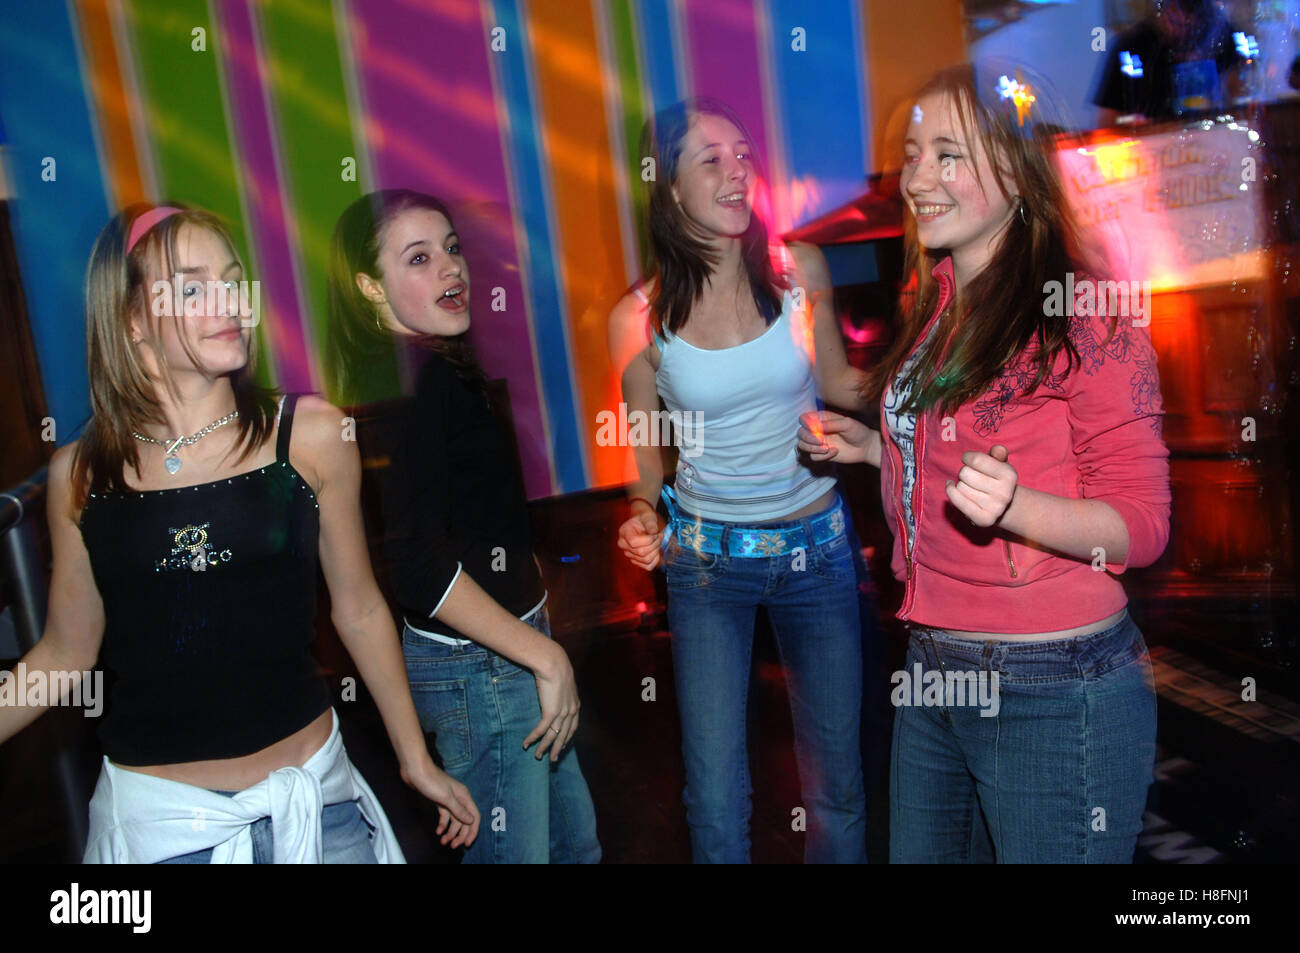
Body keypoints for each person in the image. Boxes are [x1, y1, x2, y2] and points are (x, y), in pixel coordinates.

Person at [0, 203, 480, 863]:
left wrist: (414, 758)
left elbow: (361, 609)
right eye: (191, 288)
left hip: (317, 812)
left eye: (231, 280)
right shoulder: (83, 474)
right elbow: (63, 654)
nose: (229, 301)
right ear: (132, 319)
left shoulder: (311, 435)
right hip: (165, 834)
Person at [799, 65, 1171, 862]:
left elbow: (1142, 526)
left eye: (948, 155)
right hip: (934, 660)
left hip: (1052, 681)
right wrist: (878, 446)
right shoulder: (934, 298)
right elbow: (954, 455)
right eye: (912, 156)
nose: (917, 180)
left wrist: (1016, 507)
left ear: (1017, 169)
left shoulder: (1085, 315)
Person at [609, 97, 874, 864]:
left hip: (817, 548)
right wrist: (641, 511)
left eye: (744, 153)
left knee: (837, 786)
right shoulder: (640, 318)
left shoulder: (798, 269)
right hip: (707, 564)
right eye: (711, 159)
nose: (737, 172)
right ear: (667, 186)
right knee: (717, 801)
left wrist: (936, 373)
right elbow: (645, 453)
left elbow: (840, 383)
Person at [325, 189, 600, 864]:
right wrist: (543, 655)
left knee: (575, 847)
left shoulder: (429, 368)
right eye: (418, 258)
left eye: (451, 249)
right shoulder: (409, 383)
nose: (451, 267)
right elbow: (418, 569)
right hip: (483, 670)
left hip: (505, 650)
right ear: (369, 287)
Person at [1093, 0, 1246, 125]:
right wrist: (1131, 124)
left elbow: (1244, 97)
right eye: (1172, 8)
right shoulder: (1131, 46)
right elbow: (1107, 121)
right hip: (1153, 147)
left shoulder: (1223, 37)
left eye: (1189, 12)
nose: (1180, 17)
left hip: (1217, 140)